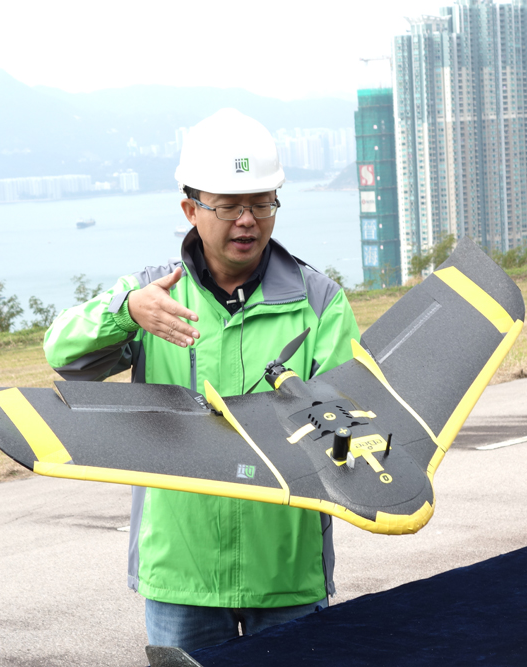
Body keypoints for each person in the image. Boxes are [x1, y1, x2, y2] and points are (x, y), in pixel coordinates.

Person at [42, 108, 360, 653]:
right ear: (191, 209)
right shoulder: (152, 294)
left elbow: (346, 420)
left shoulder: (318, 301)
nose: (247, 221)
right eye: (230, 205)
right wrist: (125, 312)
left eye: (262, 203)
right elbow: (62, 353)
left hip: (285, 569)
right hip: (180, 572)